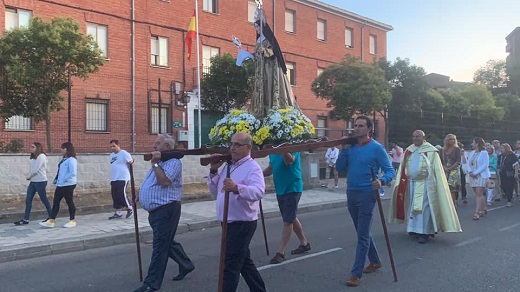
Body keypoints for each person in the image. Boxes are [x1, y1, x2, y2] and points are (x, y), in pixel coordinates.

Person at [335, 115, 395, 287]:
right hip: (351, 192)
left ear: (369, 129)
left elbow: (390, 171)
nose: (357, 128)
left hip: (367, 194)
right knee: (361, 231)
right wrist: (344, 149)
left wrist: (381, 181)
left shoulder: (377, 148)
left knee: (362, 235)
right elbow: (339, 168)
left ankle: (356, 273)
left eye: (361, 126)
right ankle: (375, 261)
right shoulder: (351, 147)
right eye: (355, 126)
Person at [133, 134, 194, 292]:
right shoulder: (159, 161)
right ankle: (186, 264)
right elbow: (151, 181)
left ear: (167, 147)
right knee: (165, 242)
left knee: (160, 247)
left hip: (167, 210)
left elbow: (165, 181)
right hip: (156, 211)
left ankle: (151, 284)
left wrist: (154, 164)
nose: (154, 146)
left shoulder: (173, 162)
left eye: (157, 143)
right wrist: (141, 194)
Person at [207, 132, 266, 292]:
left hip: (242, 223)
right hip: (227, 222)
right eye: (231, 144)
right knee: (244, 262)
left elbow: (258, 192)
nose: (232, 148)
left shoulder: (253, 168)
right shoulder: (228, 165)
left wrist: (237, 188)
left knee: (230, 265)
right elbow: (215, 191)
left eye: (237, 145)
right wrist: (213, 171)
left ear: (248, 147)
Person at [389, 130, 461, 244]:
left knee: (425, 208)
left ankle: (425, 232)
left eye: (418, 136)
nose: (415, 138)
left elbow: (436, 169)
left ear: (423, 137)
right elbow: (404, 166)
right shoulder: (409, 150)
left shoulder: (431, 151)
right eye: (413, 136)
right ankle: (413, 229)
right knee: (413, 206)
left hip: (426, 184)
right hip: (412, 183)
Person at [263, 152, 311, 264]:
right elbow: (271, 168)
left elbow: (289, 161)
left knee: (288, 220)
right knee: (290, 217)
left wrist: (283, 149)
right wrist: (258, 174)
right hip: (281, 189)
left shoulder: (291, 147)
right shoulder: (272, 152)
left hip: (293, 187)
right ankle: (304, 243)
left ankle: (281, 252)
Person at [250, 7, 298, 117]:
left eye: (257, 26)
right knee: (262, 90)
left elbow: (274, 52)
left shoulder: (268, 38)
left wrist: (265, 50)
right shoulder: (258, 40)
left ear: (262, 27)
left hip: (269, 69)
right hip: (260, 71)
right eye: (255, 27)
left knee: (269, 89)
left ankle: (273, 109)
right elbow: (257, 55)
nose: (256, 29)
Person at [39, 142, 78, 228]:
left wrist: (64, 179)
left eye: (62, 148)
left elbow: (73, 173)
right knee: (56, 201)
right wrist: (58, 180)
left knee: (69, 201)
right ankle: (51, 220)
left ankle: (72, 220)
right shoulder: (64, 159)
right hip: (61, 185)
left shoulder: (72, 160)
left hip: (68, 184)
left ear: (66, 149)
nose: (61, 150)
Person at [14, 142, 52, 225]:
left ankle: (51, 217)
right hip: (33, 181)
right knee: (28, 200)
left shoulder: (41, 156)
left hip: (40, 181)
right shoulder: (34, 157)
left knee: (44, 199)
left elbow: (36, 170)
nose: (30, 148)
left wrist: (29, 176)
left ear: (37, 148)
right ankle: (25, 219)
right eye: (31, 146)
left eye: (33, 147)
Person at [108, 139, 134, 220]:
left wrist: (131, 174)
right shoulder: (111, 155)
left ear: (118, 145)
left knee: (121, 193)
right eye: (111, 146)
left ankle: (129, 207)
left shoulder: (124, 153)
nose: (112, 148)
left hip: (123, 177)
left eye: (114, 146)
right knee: (115, 195)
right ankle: (118, 212)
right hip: (114, 178)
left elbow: (131, 163)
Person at [466, 137, 490, 220]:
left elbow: (485, 165)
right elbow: (468, 163)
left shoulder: (484, 153)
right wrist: (470, 172)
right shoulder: (472, 153)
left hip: (481, 175)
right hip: (472, 176)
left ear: (477, 144)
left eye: (473, 142)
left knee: (479, 193)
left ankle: (477, 213)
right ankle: (483, 208)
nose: (472, 144)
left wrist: (476, 172)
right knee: (478, 194)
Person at [439, 134, 461, 206]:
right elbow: (440, 160)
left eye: (453, 139)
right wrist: (444, 167)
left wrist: (449, 169)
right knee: (444, 189)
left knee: (452, 190)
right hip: (444, 170)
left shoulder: (457, 149)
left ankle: (453, 205)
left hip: (454, 171)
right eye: (450, 139)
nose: (452, 141)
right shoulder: (442, 150)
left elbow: (458, 161)